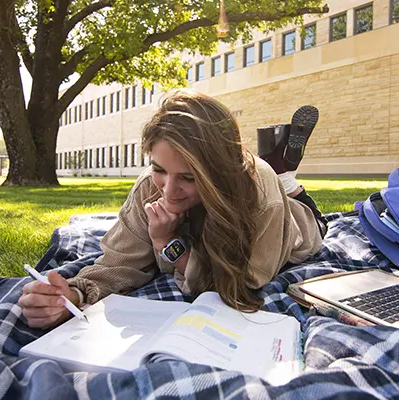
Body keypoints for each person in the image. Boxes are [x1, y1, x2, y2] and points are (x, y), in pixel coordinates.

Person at [19, 90, 326, 329]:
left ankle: (285, 176)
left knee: (311, 216)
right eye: (159, 169)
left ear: (220, 173)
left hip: (298, 223)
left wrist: (169, 246)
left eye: (189, 177)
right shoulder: (149, 187)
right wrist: (71, 296)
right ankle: (281, 166)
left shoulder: (261, 198)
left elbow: (241, 287)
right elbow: (118, 264)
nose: (168, 191)